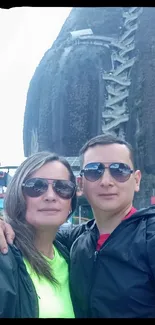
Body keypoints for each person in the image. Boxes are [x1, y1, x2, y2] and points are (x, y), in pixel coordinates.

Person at [1, 133, 155, 318]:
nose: (106, 181)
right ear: (81, 185)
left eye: (119, 170)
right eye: (94, 171)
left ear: (136, 180)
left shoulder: (150, 236)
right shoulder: (74, 242)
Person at [0, 151, 77, 318]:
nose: (50, 196)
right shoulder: (4, 254)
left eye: (62, 188)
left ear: (71, 202)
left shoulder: (72, 256)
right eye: (36, 187)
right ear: (19, 195)